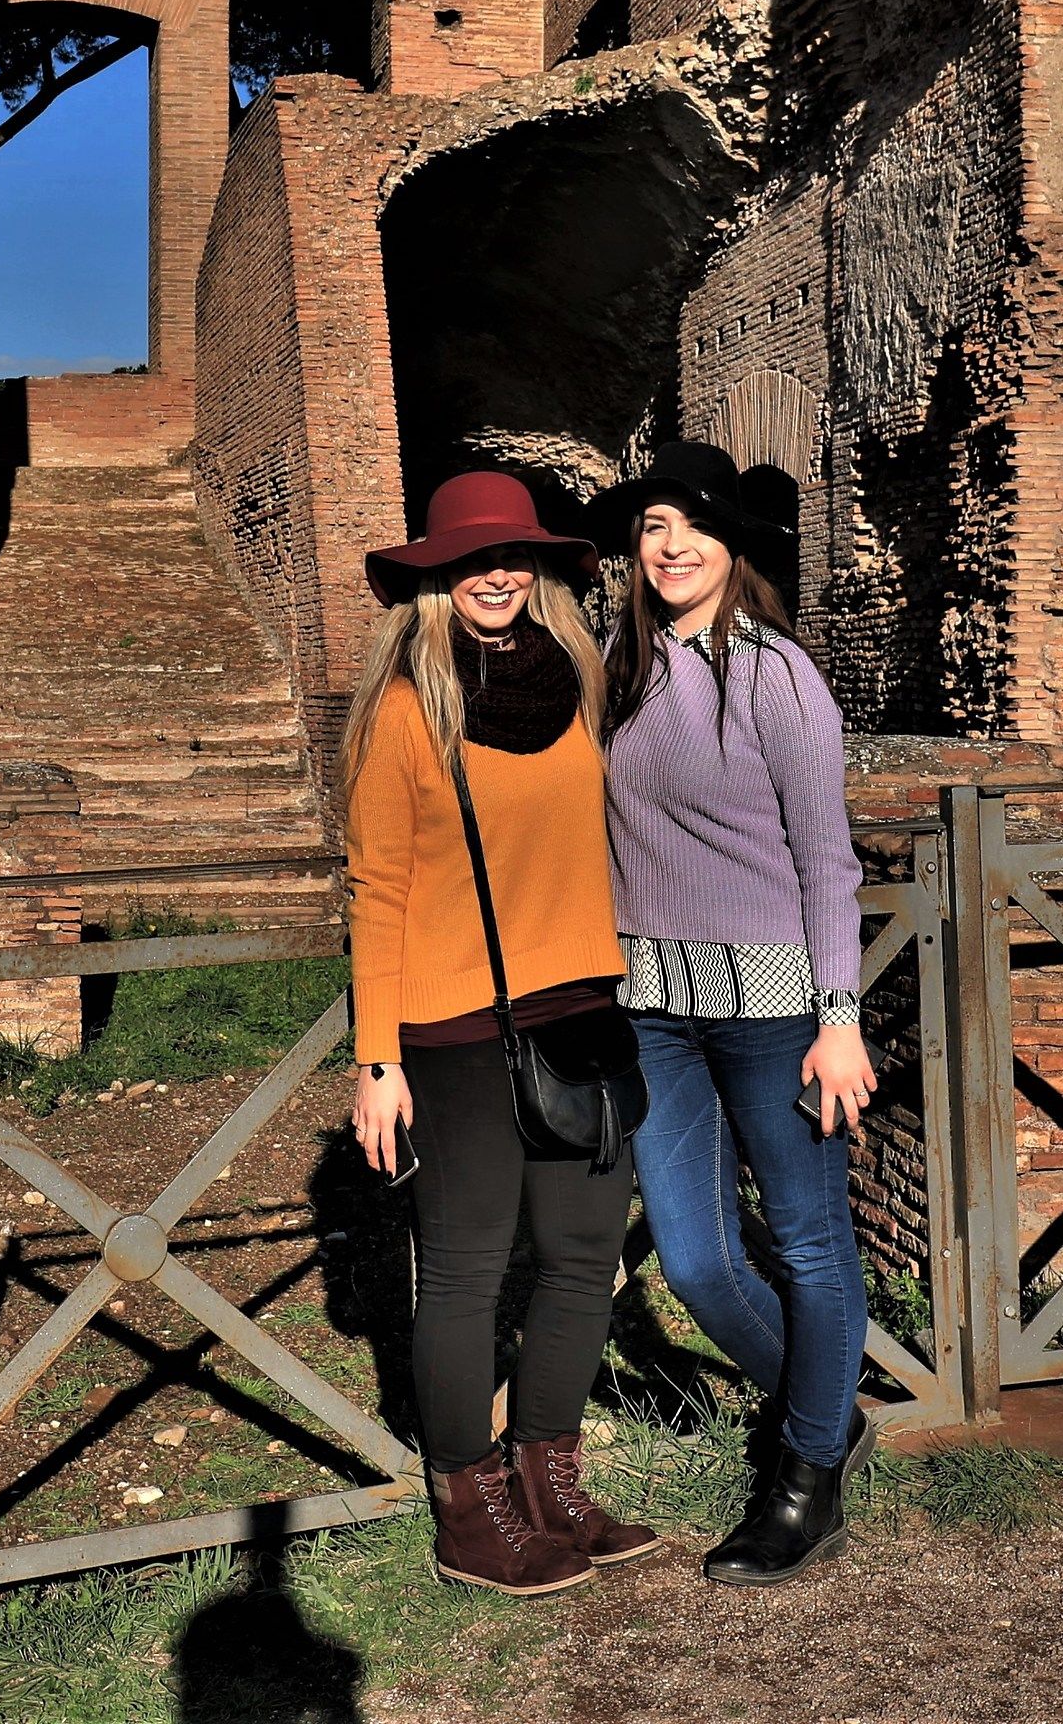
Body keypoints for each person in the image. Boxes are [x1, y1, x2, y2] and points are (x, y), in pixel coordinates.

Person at [344, 469, 660, 1595]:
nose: (497, 575)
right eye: (474, 560)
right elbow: (376, 886)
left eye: (515, 557)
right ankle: (468, 1511)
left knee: (582, 1261)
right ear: (436, 578)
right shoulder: (404, 706)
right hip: (453, 1026)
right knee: (469, 1274)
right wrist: (376, 1057)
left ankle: (549, 1486)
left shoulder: (581, 685)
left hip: (582, 1010)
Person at [584, 441, 876, 1587]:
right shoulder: (621, 666)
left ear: (733, 547)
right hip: (651, 1004)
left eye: (694, 526)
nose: (671, 546)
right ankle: (831, 1410)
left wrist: (838, 1016)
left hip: (770, 1009)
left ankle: (806, 1473)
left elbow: (827, 857)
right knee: (699, 1264)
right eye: (654, 524)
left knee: (808, 1243)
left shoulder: (777, 676)